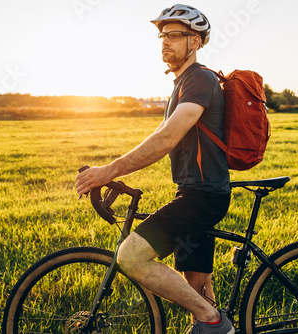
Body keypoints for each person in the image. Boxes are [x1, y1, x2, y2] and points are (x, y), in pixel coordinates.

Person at [75, 4, 234, 334]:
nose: (165, 41)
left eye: (176, 35)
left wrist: (109, 172)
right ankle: (212, 323)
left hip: (203, 197)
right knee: (197, 281)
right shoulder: (182, 84)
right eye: (163, 35)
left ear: (197, 42)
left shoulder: (200, 80)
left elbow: (166, 139)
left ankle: (214, 322)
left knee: (130, 257)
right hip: (193, 192)